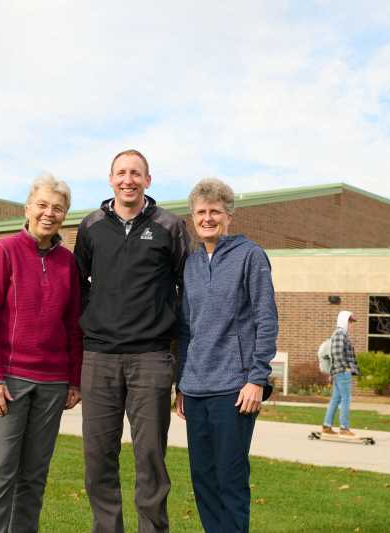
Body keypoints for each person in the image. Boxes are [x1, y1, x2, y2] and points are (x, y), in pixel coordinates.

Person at [74, 149, 189, 533]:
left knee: (151, 458)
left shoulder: (170, 226)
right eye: (121, 173)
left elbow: (184, 290)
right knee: (98, 457)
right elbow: (78, 287)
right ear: (110, 179)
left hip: (151, 358)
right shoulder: (90, 226)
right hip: (99, 357)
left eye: (136, 173)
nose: (128, 180)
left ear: (148, 181)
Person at [0, 174, 83, 533]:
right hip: (9, 383)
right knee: (0, 475)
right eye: (42, 205)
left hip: (53, 385)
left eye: (57, 208)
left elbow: (73, 327)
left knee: (34, 478)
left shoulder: (68, 263)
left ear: (65, 215)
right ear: (27, 208)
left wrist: (74, 380)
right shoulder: (4, 251)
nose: (48, 213)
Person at [175, 178, 278, 533]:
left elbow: (266, 319)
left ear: (229, 216)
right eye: (201, 212)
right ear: (192, 218)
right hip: (195, 388)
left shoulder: (251, 256)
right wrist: (181, 385)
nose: (207, 218)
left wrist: (256, 378)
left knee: (229, 478)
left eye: (215, 211)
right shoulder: (188, 264)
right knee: (203, 480)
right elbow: (186, 329)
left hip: (235, 389)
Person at [321, 311, 360, 437]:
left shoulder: (339, 334)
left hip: (338, 372)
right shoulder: (340, 334)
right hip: (342, 372)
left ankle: (327, 426)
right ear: (344, 320)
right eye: (350, 321)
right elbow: (337, 353)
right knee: (345, 399)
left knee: (336, 399)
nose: (352, 325)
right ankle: (344, 427)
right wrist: (346, 368)